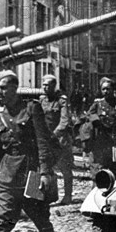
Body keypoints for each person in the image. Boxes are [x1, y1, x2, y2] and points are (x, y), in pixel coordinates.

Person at [0, 70, 58, 232]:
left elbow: (43, 142)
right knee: (2, 222)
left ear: (14, 87)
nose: (0, 92)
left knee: (40, 217)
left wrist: (45, 172)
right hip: (7, 172)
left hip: (31, 171)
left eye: (4, 87)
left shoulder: (31, 108)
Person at [87, 77, 116, 179]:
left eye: (108, 89)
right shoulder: (97, 104)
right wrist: (96, 121)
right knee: (98, 175)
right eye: (103, 89)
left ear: (113, 90)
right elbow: (89, 116)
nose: (105, 91)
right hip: (101, 145)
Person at [39, 74, 74, 205]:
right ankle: (49, 196)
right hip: (46, 140)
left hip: (60, 140)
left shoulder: (62, 101)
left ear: (54, 86)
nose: (45, 87)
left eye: (48, 85)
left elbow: (65, 121)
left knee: (65, 168)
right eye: (43, 85)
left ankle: (68, 196)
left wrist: (54, 135)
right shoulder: (42, 100)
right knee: (46, 168)